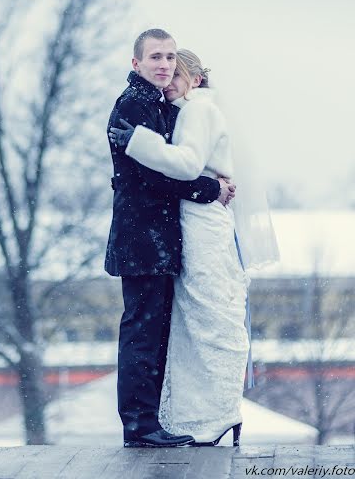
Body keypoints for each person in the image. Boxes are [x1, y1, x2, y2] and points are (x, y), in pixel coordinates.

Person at [109, 48, 278, 446]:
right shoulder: (178, 108)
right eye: (163, 72)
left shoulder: (198, 111)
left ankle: (215, 414)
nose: (168, 86)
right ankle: (208, 414)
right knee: (199, 319)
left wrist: (139, 142)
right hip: (189, 222)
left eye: (176, 77)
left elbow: (184, 164)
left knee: (209, 316)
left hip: (201, 225)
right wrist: (210, 187)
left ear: (195, 80)